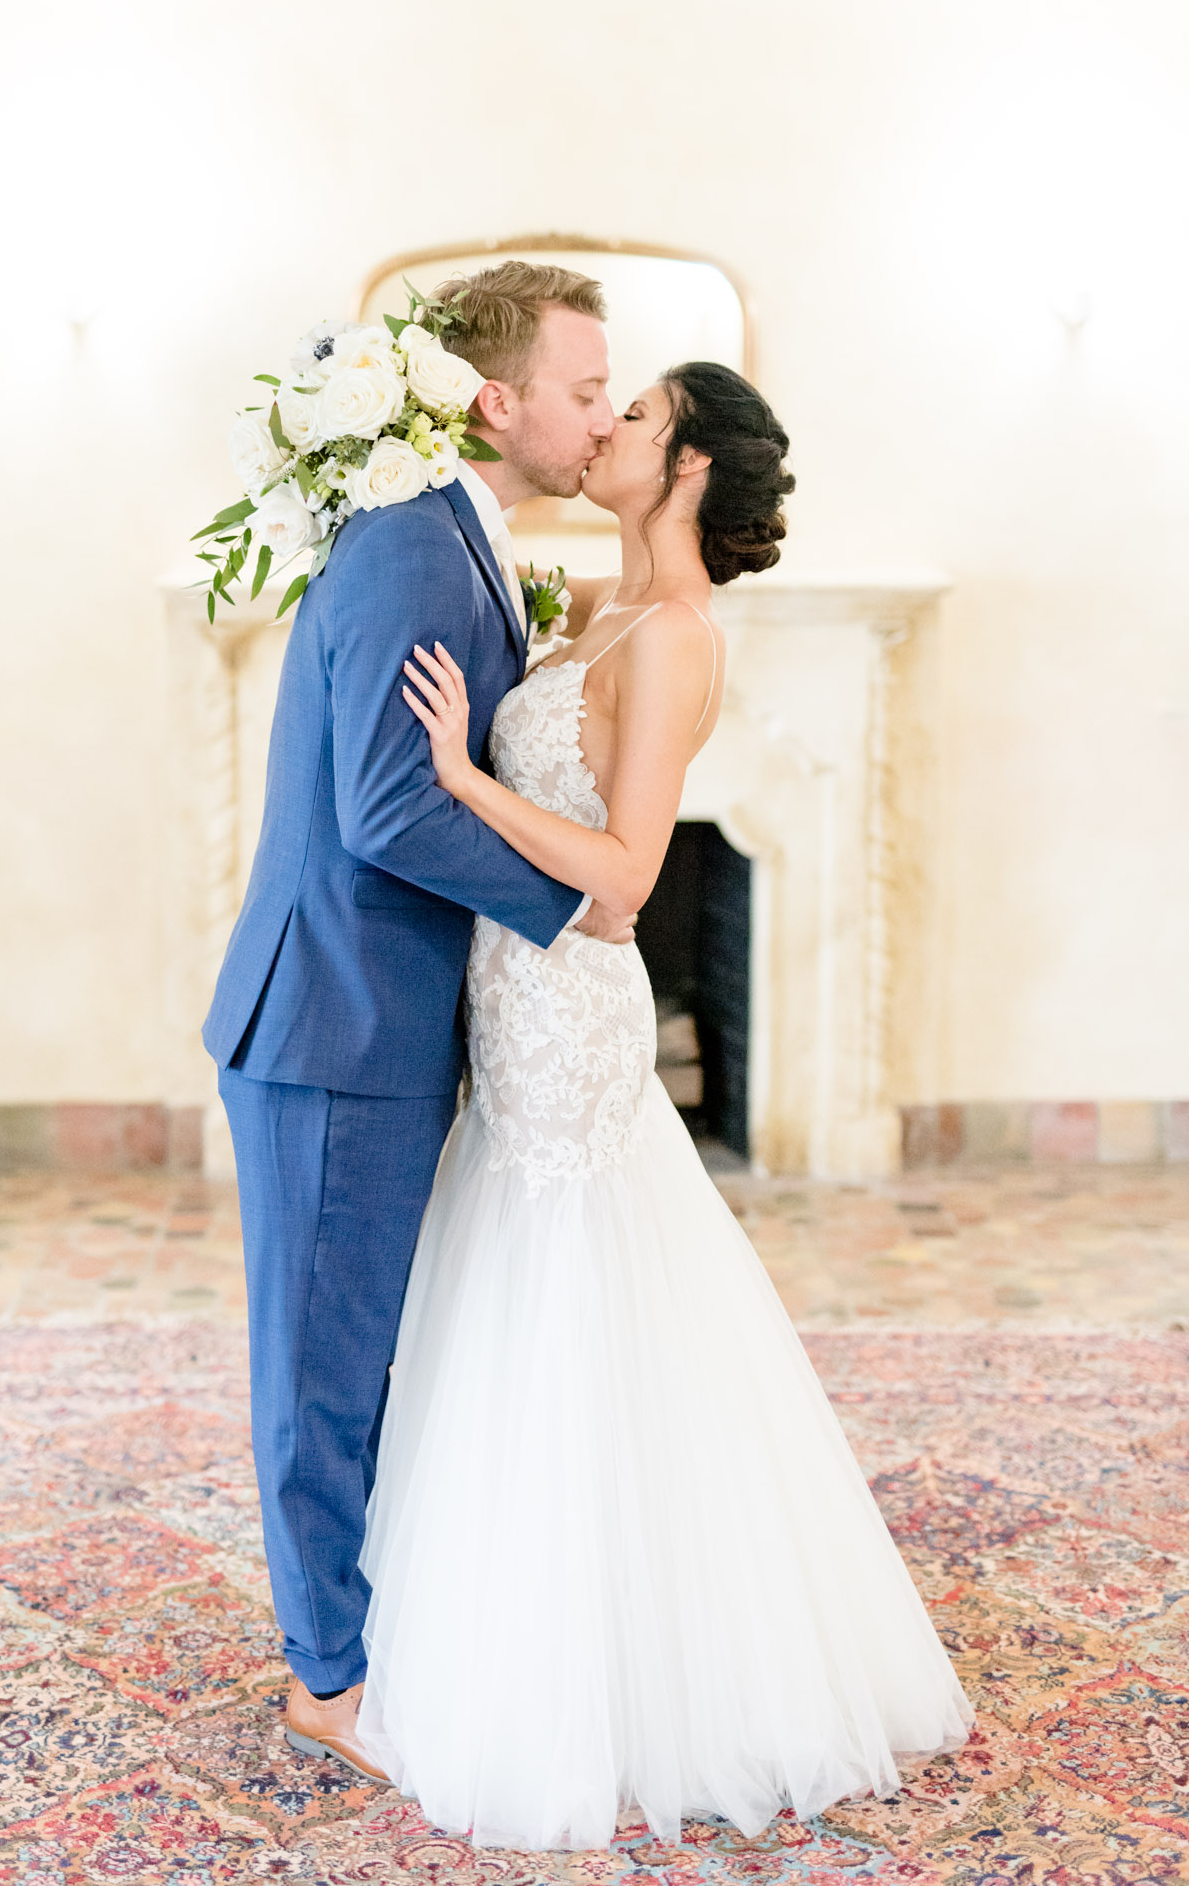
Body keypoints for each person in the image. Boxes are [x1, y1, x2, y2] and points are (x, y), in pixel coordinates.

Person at [356, 359, 976, 1850]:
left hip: (573, 1009)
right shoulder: (593, 605)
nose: (608, 427)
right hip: (507, 1001)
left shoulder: (683, 639)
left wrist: (455, 775)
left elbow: (628, 879)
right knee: (503, 1279)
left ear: (689, 464)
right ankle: (503, 1616)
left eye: (633, 415)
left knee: (575, 1286)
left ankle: (615, 1668)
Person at [202, 262, 638, 1779]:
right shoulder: (406, 545)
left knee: (372, 1356)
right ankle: (326, 1680)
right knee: (322, 1369)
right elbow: (391, 806)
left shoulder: (460, 533)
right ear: (497, 399)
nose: (603, 415)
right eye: (587, 389)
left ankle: (364, 1629)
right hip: (333, 1022)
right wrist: (578, 905)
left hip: (382, 1023)